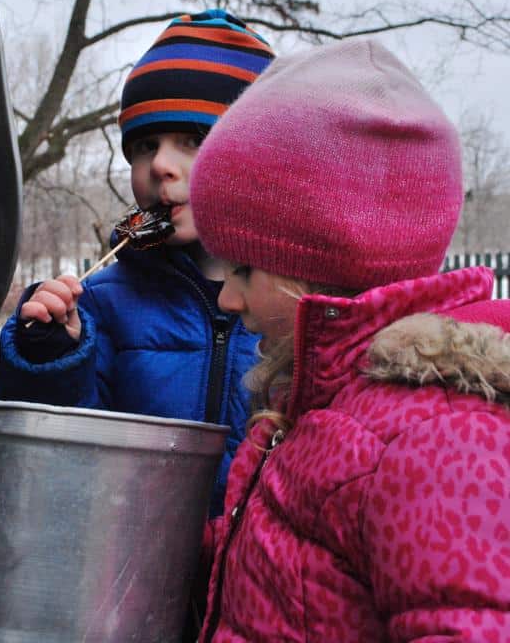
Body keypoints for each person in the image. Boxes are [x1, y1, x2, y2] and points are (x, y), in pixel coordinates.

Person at [189, 38, 510, 641]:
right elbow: (295, 562)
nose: (227, 299)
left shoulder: (429, 443)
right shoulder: (327, 407)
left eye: (242, 269)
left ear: (324, 265)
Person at [0, 9, 275, 517]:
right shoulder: (102, 304)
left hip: (254, 560)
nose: (161, 164)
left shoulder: (293, 306)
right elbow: (60, 457)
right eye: (146, 146)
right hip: (133, 549)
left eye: (194, 141)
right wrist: (50, 357)